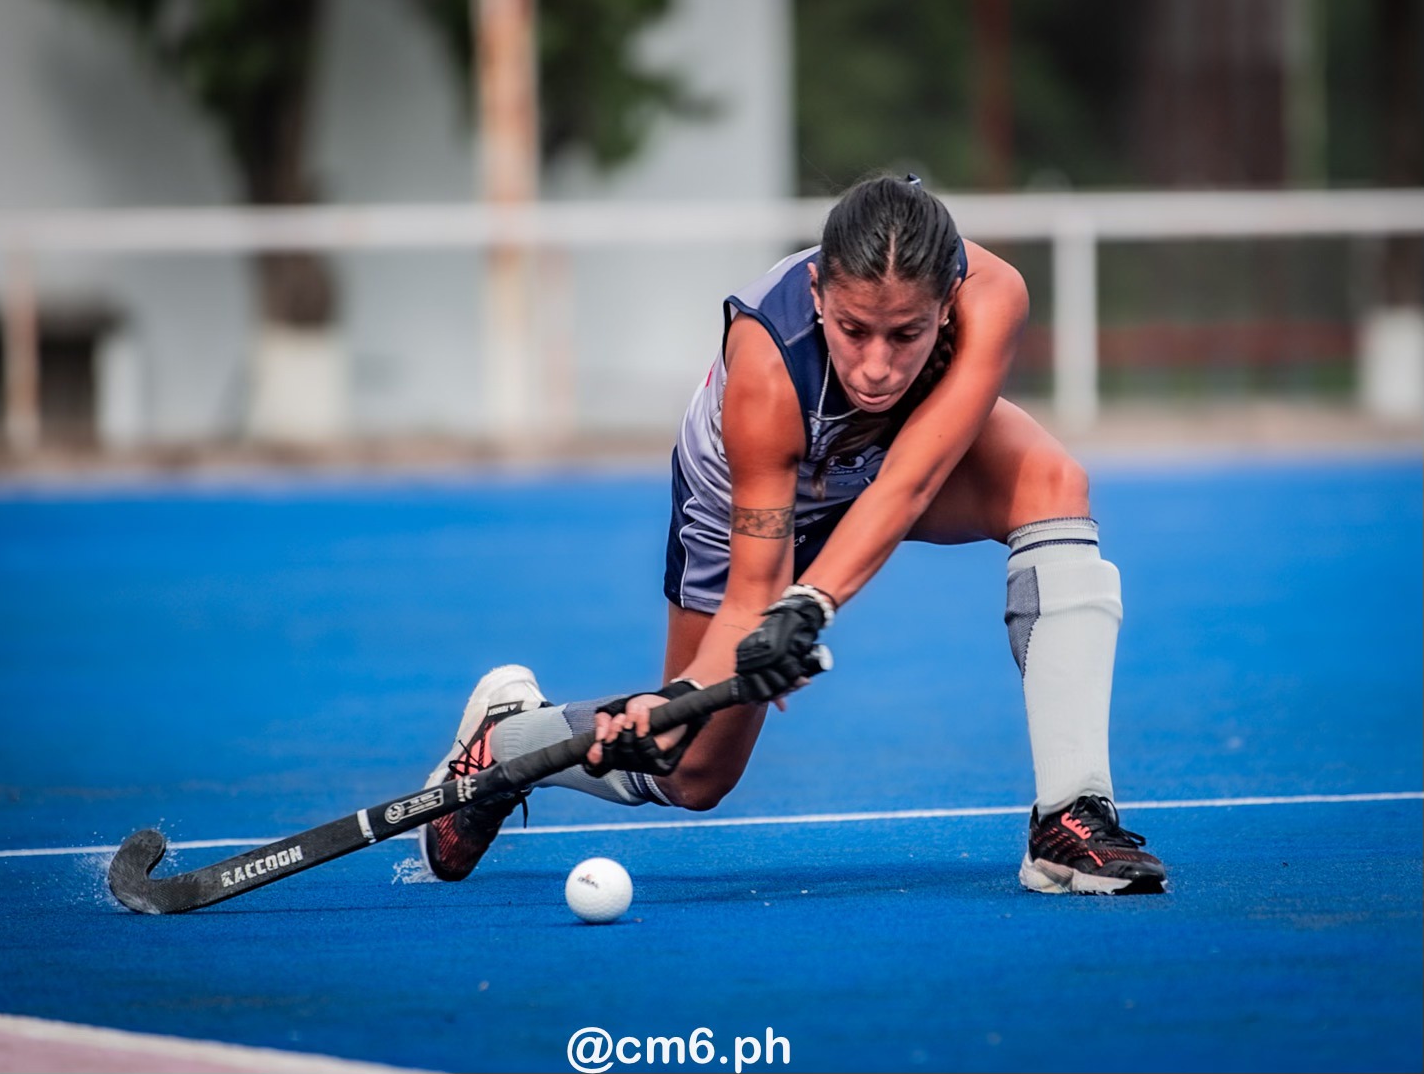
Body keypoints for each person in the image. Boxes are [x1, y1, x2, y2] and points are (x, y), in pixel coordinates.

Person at [420, 173, 1167, 896]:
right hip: (746, 508)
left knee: (1053, 484)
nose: (875, 367)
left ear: (946, 306)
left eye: (905, 334)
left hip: (889, 467)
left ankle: (1070, 814)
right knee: (692, 770)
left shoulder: (992, 296)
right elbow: (752, 597)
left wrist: (806, 606)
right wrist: (685, 693)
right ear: (817, 296)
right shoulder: (766, 368)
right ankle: (510, 740)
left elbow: (906, 481)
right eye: (852, 331)